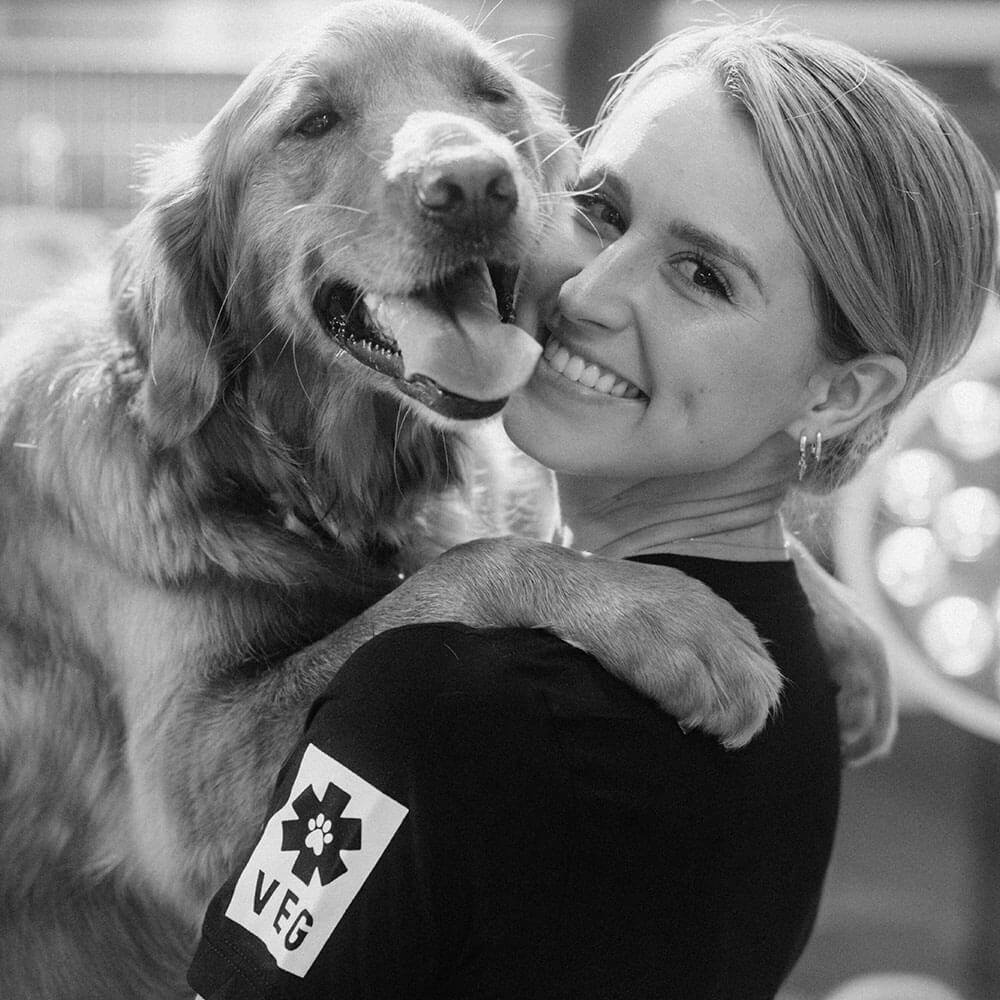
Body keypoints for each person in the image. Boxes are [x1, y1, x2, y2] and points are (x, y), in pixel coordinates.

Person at [188, 19, 997, 1000]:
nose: (590, 292)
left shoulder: (433, 696)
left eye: (701, 275)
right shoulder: (802, 669)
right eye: (601, 210)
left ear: (837, 396)